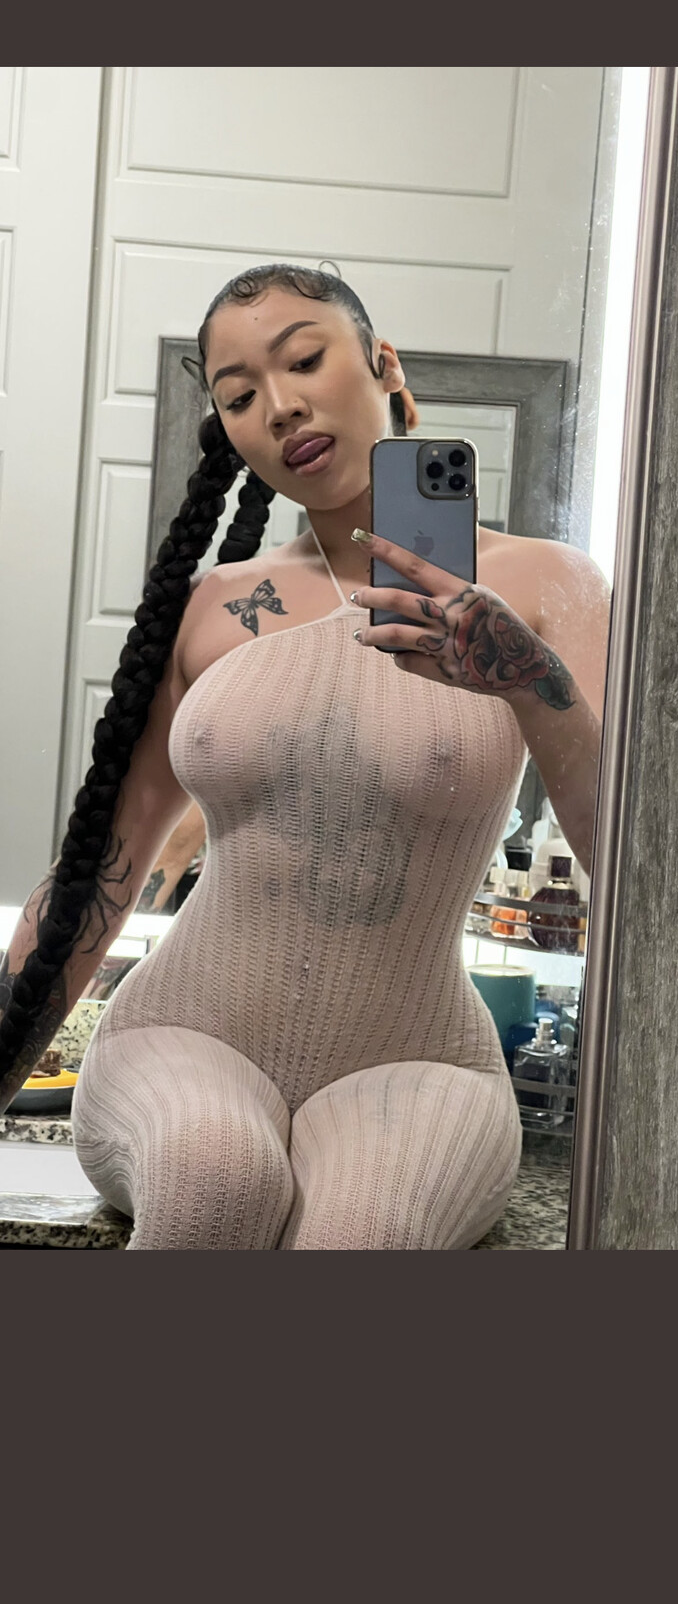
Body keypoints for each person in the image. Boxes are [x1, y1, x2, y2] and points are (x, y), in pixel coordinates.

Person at [0, 265, 610, 1249]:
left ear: (383, 364)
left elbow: (621, 857)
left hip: (418, 1059)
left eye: (304, 360)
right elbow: (99, 877)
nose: (279, 407)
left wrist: (529, 679)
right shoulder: (213, 605)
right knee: (210, 1180)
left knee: (363, 1229)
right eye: (238, 396)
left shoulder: (549, 585)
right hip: (183, 1034)